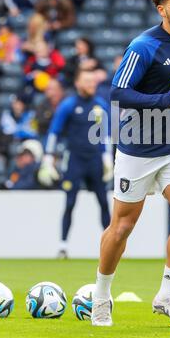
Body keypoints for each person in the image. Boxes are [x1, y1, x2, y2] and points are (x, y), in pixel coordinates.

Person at [91, 0, 170, 328]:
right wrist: (162, 100)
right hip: (138, 149)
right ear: (161, 9)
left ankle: (167, 296)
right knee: (122, 227)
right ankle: (101, 297)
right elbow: (117, 93)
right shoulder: (143, 46)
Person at [38, 68, 113, 259]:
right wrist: (48, 156)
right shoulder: (68, 105)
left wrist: (107, 158)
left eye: (93, 82)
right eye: (87, 82)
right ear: (78, 83)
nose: (91, 85)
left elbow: (106, 134)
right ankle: (63, 246)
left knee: (104, 203)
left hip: (95, 160)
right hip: (75, 160)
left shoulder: (100, 105)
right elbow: (54, 131)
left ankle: (113, 247)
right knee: (70, 202)